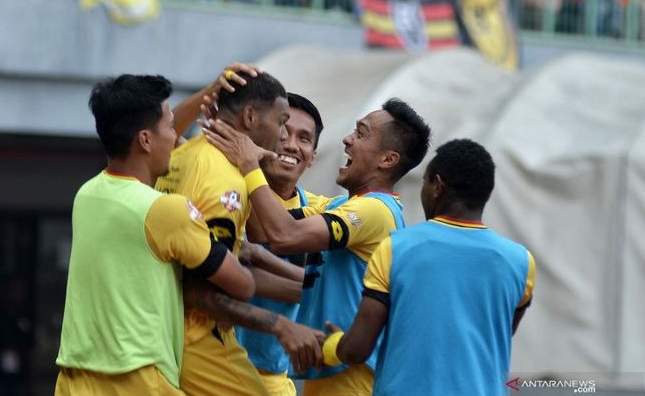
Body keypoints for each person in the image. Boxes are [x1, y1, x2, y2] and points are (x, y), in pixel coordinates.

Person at [203, 98, 431, 396]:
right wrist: (241, 148)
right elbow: (264, 231)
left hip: (353, 376)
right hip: (328, 369)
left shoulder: (375, 210)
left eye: (361, 134)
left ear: (387, 160)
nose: (347, 140)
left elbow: (284, 235)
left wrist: (248, 163)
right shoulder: (343, 205)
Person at [54, 74, 255, 396]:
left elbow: (156, 129)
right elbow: (243, 285)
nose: (177, 138)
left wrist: (207, 92)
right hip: (139, 381)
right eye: (171, 129)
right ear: (146, 140)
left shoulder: (87, 196)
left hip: (73, 378)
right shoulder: (167, 211)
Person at [322, 139, 536, 396]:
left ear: (437, 185)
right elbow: (496, 335)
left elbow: (357, 349)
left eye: (424, 182)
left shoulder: (396, 248)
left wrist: (331, 345)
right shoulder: (521, 262)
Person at [155, 71, 324, 396]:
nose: (286, 140)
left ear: (314, 155)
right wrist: (275, 317)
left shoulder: (180, 156)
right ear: (250, 117)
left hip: (172, 342)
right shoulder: (227, 181)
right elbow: (200, 286)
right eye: (283, 124)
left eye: (303, 137)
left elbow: (263, 239)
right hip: (202, 347)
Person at [236, 92, 327, 396]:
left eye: (304, 139)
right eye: (284, 133)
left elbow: (327, 286)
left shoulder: (324, 211)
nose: (291, 145)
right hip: (219, 372)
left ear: (312, 155)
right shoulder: (227, 192)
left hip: (277, 379)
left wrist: (258, 258)